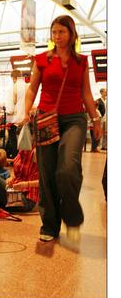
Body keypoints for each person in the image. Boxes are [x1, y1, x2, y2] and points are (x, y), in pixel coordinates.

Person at [22, 15, 102, 243]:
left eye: (62, 32)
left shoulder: (81, 61)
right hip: (46, 118)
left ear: (72, 33)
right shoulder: (41, 59)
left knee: (68, 168)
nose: (57, 37)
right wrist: (27, 110)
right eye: (54, 32)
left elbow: (86, 93)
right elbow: (31, 89)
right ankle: (49, 225)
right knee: (47, 174)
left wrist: (96, 120)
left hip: (74, 119)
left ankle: (72, 216)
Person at [5, 69, 26, 159]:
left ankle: (15, 157)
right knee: (25, 139)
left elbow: (10, 106)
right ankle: (23, 158)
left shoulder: (12, 87)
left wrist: (8, 120)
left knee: (13, 139)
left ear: (13, 77)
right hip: (25, 117)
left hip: (14, 118)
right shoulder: (27, 86)